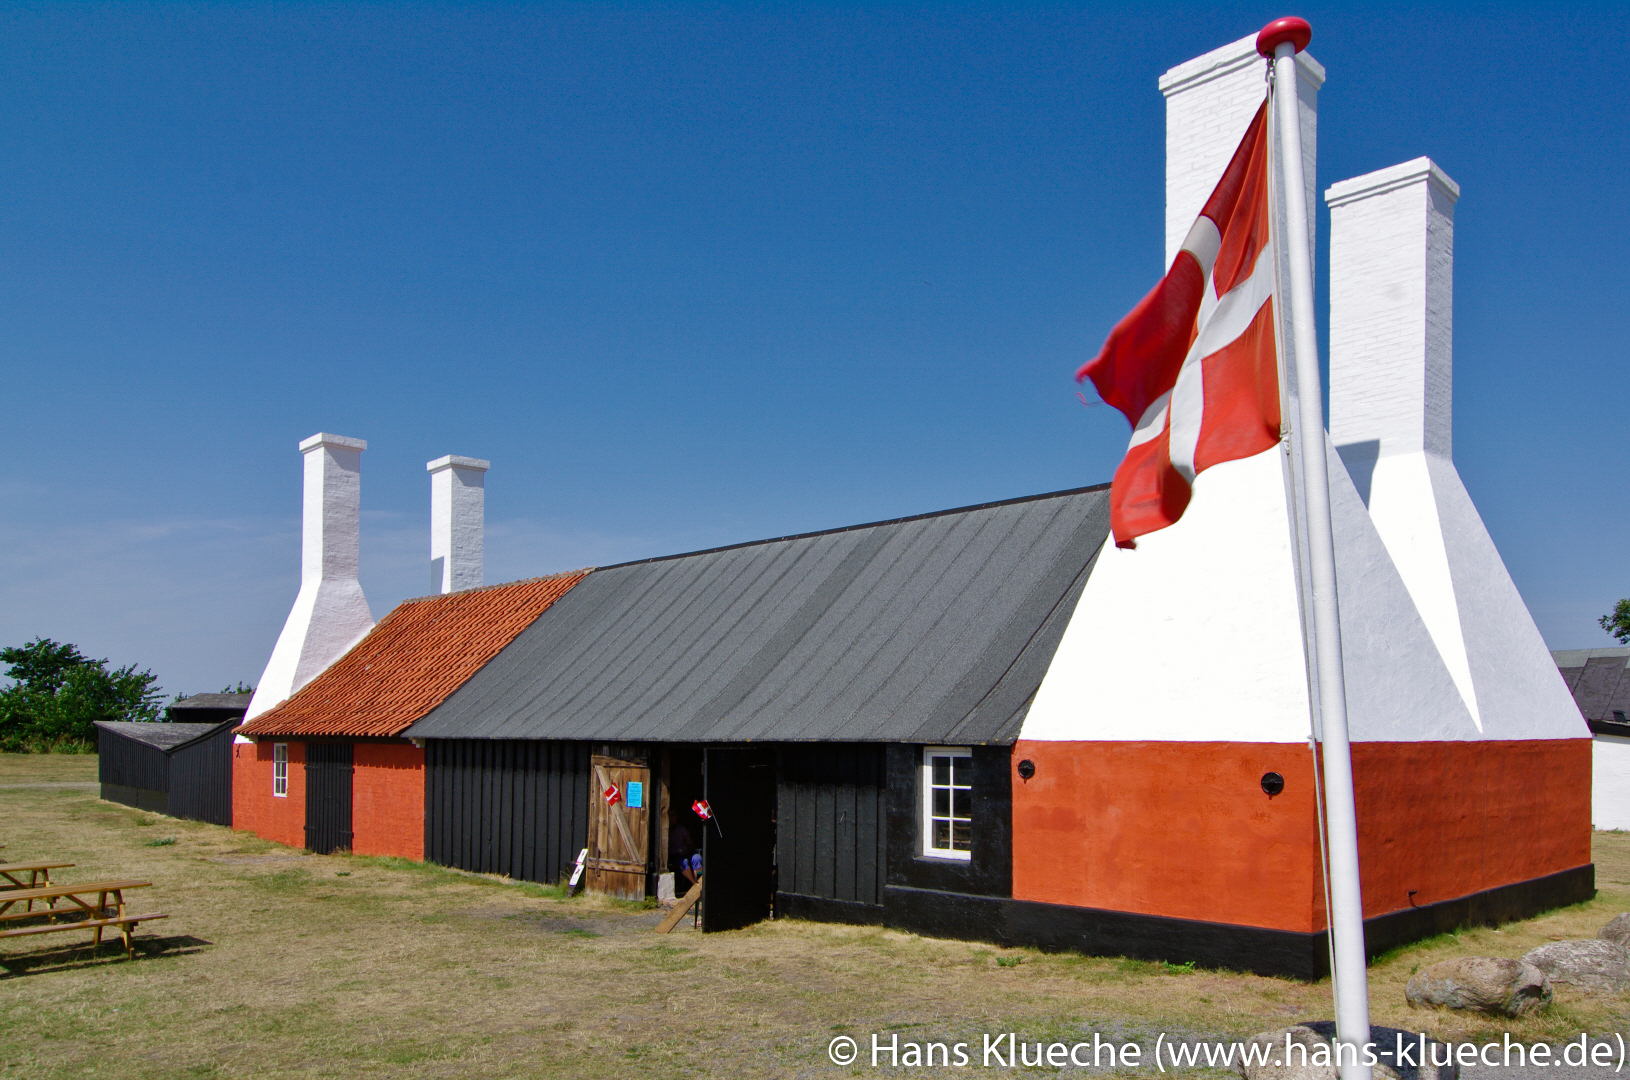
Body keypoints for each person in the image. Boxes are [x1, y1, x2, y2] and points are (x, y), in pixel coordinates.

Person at [667, 805, 701, 893]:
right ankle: (695, 887)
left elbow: (690, 844)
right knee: (684, 862)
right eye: (673, 815)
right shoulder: (664, 830)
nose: (676, 817)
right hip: (674, 856)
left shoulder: (681, 829)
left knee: (697, 858)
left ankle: (701, 884)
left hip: (686, 852)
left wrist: (687, 850)